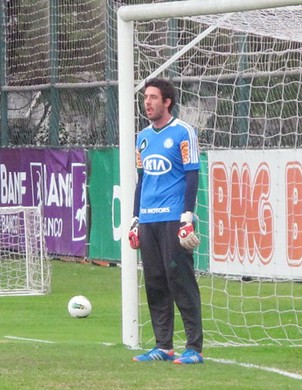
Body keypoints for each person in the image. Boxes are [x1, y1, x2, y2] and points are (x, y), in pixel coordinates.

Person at [128, 78, 204, 365]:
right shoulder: (143, 137)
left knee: (180, 280)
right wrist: (136, 218)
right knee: (155, 282)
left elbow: (192, 174)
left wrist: (187, 216)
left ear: (167, 101)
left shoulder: (183, 132)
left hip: (174, 218)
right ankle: (164, 346)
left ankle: (194, 348)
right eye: (145, 97)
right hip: (148, 220)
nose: (147, 102)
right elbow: (142, 179)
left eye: (153, 97)